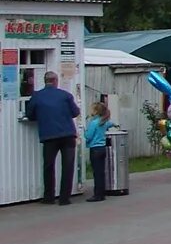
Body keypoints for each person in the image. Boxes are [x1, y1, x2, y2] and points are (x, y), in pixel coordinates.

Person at [23, 71, 81, 205]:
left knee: (49, 166)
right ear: (55, 81)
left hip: (49, 135)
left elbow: (30, 115)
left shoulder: (37, 96)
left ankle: (49, 197)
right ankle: (64, 198)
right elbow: (75, 112)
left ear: (45, 81)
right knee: (67, 166)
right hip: (67, 134)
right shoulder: (65, 95)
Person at [83, 101, 117, 202]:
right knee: (101, 172)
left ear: (96, 111)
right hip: (102, 148)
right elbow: (111, 124)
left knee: (96, 173)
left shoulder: (94, 123)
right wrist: (115, 125)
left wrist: (84, 131)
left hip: (95, 149)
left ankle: (97, 195)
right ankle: (101, 193)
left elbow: (88, 137)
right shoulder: (104, 122)